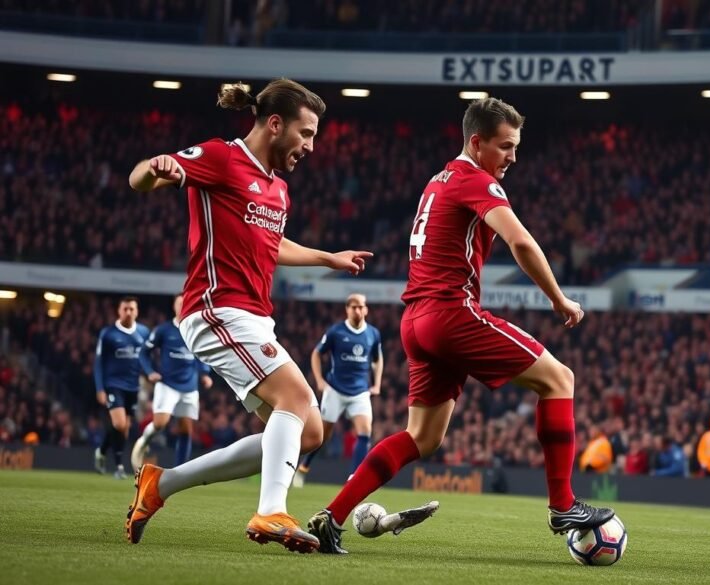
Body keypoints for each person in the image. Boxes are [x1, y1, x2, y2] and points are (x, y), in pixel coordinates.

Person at [305, 97, 614, 554]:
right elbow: (521, 242)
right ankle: (563, 505)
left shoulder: (437, 180)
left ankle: (332, 517)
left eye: (516, 146)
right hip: (451, 313)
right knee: (559, 379)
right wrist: (558, 298)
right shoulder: (475, 180)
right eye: (506, 146)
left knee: (422, 437)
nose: (513, 156)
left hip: (416, 321)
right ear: (477, 142)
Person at [124, 79, 374, 553]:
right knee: (297, 401)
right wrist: (154, 170)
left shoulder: (278, 188)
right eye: (305, 133)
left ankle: (162, 483)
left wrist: (328, 258)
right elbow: (142, 179)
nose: (311, 146)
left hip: (254, 316)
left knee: (310, 431)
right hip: (216, 308)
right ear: (275, 124)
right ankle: (270, 511)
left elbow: (272, 244)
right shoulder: (222, 157)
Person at [293, 293, 383, 487]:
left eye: (361, 307)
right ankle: (304, 467)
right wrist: (319, 380)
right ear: (347, 309)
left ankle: (354, 478)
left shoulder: (373, 334)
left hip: (360, 391)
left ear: (366, 309)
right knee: (322, 436)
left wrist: (377, 383)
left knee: (365, 431)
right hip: (335, 390)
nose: (357, 310)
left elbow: (377, 359)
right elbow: (316, 354)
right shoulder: (336, 332)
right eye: (353, 307)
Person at [132, 294, 214, 471]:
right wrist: (150, 372)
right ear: (174, 306)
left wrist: (205, 374)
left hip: (190, 386)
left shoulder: (196, 330)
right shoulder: (163, 330)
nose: (184, 306)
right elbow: (143, 353)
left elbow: (203, 354)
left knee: (186, 429)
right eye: (180, 303)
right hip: (167, 384)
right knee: (160, 423)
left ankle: (180, 470)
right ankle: (143, 441)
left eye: (187, 303)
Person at [94, 296, 150, 479]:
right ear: (119, 311)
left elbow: (147, 358)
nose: (128, 312)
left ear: (137, 311)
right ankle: (118, 467)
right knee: (119, 424)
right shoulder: (108, 333)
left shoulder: (143, 332)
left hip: (133, 387)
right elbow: (98, 363)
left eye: (131, 309)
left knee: (125, 428)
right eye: (125, 309)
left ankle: (101, 451)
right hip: (113, 385)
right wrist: (100, 388)